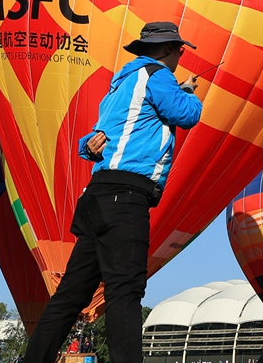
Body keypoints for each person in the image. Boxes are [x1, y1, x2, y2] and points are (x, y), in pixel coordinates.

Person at [23, 22, 204, 363]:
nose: (181, 55)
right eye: (180, 49)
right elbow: (185, 114)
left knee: (70, 296)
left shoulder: (120, 84)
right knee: (125, 290)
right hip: (127, 197)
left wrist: (87, 148)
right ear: (168, 48)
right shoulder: (159, 76)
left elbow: (94, 139)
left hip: (96, 197)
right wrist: (188, 93)